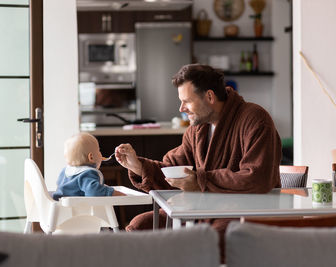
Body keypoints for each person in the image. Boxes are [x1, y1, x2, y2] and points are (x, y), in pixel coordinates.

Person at [114, 64, 282, 259]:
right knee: (140, 225)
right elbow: (177, 170)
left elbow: (258, 178)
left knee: (210, 238)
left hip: (243, 213)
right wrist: (138, 166)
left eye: (187, 101)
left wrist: (200, 181)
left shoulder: (255, 120)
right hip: (201, 212)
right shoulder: (197, 130)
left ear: (210, 97)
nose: (181, 108)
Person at [52, 132, 125, 200]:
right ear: (91, 157)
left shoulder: (65, 171)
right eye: (99, 150)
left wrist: (102, 186)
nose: (100, 153)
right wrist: (113, 193)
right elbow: (94, 192)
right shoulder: (87, 174)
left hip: (61, 207)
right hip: (77, 210)